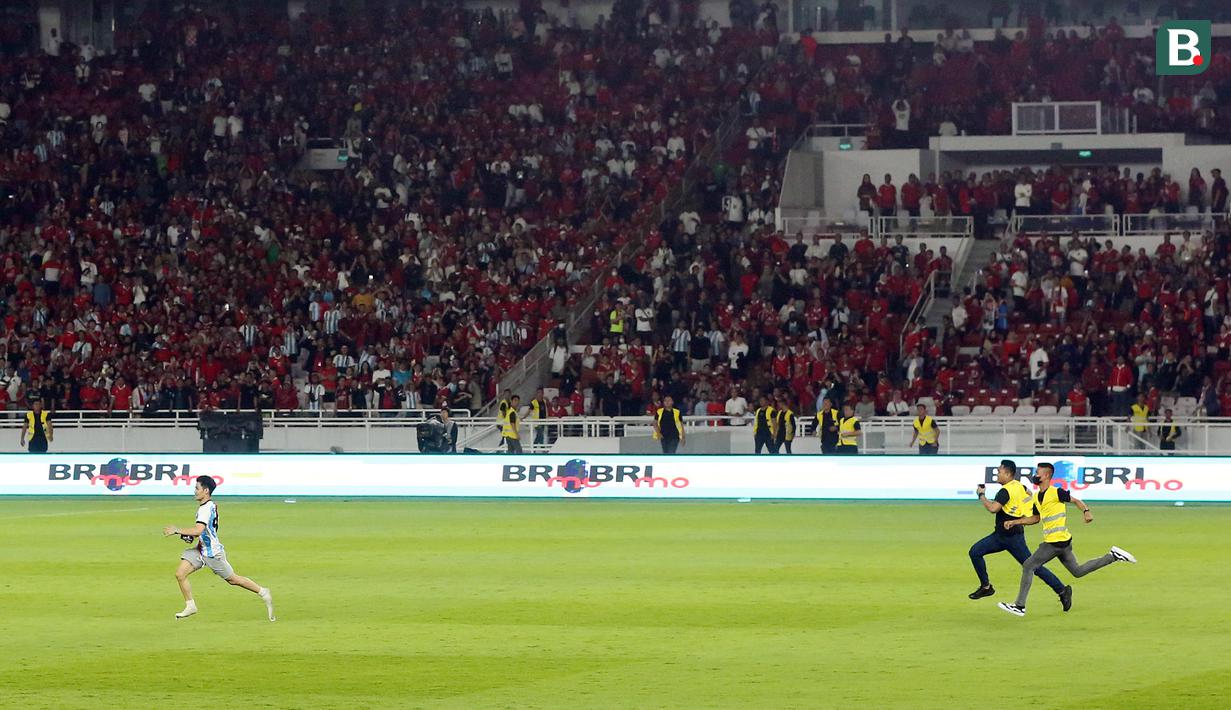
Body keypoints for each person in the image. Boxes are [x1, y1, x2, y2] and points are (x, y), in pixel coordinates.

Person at [998, 462, 1137, 617]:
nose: (1034, 475)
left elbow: (1076, 500)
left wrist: (1086, 511)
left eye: (1037, 473)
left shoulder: (1056, 492)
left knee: (1028, 566)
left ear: (1046, 475)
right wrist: (1015, 522)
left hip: (1054, 543)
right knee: (1078, 571)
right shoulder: (1036, 497)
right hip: (1063, 542)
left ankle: (1019, 606)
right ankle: (1112, 556)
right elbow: (1036, 518)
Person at [163, 475, 275, 621]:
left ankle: (263, 592)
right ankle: (191, 606)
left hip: (212, 553)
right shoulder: (209, 506)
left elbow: (198, 530)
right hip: (200, 549)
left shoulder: (205, 509)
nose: (194, 491)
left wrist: (177, 530)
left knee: (233, 579)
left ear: (206, 491)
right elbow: (206, 530)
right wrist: (191, 536)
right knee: (180, 574)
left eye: (197, 488)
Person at [968, 460, 1071, 611]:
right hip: (1002, 535)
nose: (997, 474)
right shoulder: (1020, 486)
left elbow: (993, 508)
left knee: (1034, 567)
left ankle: (1062, 590)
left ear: (1007, 474)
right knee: (975, 552)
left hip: (1011, 538)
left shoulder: (1005, 491)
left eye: (999, 472)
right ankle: (986, 587)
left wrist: (981, 495)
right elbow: (1029, 497)